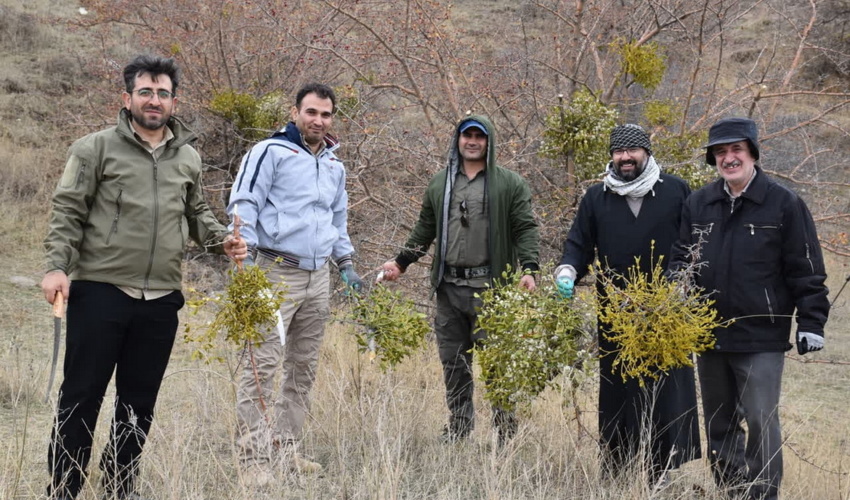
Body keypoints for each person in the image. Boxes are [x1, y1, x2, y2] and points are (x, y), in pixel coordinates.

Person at [40, 55, 247, 500]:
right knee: (81, 397)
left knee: (138, 405)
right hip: (100, 291)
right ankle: (63, 490)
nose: (154, 101)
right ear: (127, 97)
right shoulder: (94, 148)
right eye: (146, 92)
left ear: (175, 101)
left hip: (161, 300)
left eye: (163, 93)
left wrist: (220, 242)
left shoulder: (187, 156)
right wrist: (57, 266)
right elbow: (68, 210)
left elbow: (197, 214)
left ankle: (120, 489)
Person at [669, 117, 830, 500]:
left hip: (762, 334)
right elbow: (681, 256)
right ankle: (731, 492)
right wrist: (676, 288)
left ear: (753, 153)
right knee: (719, 423)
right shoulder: (698, 202)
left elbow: (806, 268)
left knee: (760, 420)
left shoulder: (784, 203)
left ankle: (762, 494)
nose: (729, 158)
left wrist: (812, 322)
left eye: (736, 150)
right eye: (721, 152)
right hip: (708, 332)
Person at [227, 83, 362, 484]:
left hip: (318, 276)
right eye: (311, 112)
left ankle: (285, 450)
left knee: (302, 367)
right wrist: (245, 255)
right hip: (273, 270)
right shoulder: (269, 152)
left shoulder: (335, 166)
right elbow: (244, 202)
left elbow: (337, 222)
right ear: (295, 112)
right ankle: (252, 459)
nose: (318, 120)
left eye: (326, 114)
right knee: (261, 364)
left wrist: (347, 264)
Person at [379, 115, 540, 446]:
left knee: (497, 364)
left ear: (488, 141)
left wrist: (529, 269)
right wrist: (401, 263)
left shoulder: (509, 183)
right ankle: (459, 428)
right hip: (449, 289)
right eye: (466, 135)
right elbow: (424, 229)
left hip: (491, 289)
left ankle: (505, 433)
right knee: (454, 363)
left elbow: (525, 228)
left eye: (479, 136)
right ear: (458, 139)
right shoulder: (441, 183)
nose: (472, 141)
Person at [555, 124, 701, 482]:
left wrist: (683, 285)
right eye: (619, 152)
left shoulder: (676, 190)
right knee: (619, 393)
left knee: (665, 393)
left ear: (647, 153)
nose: (625, 158)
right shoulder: (596, 197)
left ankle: (661, 469)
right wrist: (568, 270)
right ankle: (617, 469)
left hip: (666, 316)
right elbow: (579, 244)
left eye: (632, 150)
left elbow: (696, 243)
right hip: (616, 317)